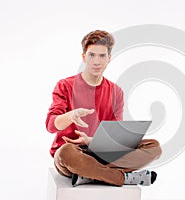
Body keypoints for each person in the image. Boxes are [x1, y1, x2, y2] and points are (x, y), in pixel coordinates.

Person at [45, 30, 162, 187]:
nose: (96, 61)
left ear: (109, 59)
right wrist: (71, 115)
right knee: (66, 153)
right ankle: (122, 177)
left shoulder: (116, 92)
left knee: (153, 147)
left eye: (102, 56)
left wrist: (91, 141)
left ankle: (91, 175)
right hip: (71, 154)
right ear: (84, 57)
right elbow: (51, 125)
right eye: (92, 55)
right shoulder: (65, 85)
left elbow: (115, 136)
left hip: (100, 153)